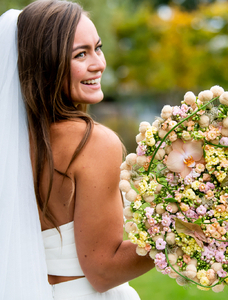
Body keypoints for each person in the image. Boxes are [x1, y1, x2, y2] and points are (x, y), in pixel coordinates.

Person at [0, 0, 153, 299]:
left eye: (98, 47)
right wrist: (180, 236)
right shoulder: (93, 143)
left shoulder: (10, 143)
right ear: (47, 64)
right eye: (80, 54)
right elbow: (103, 271)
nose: (98, 63)